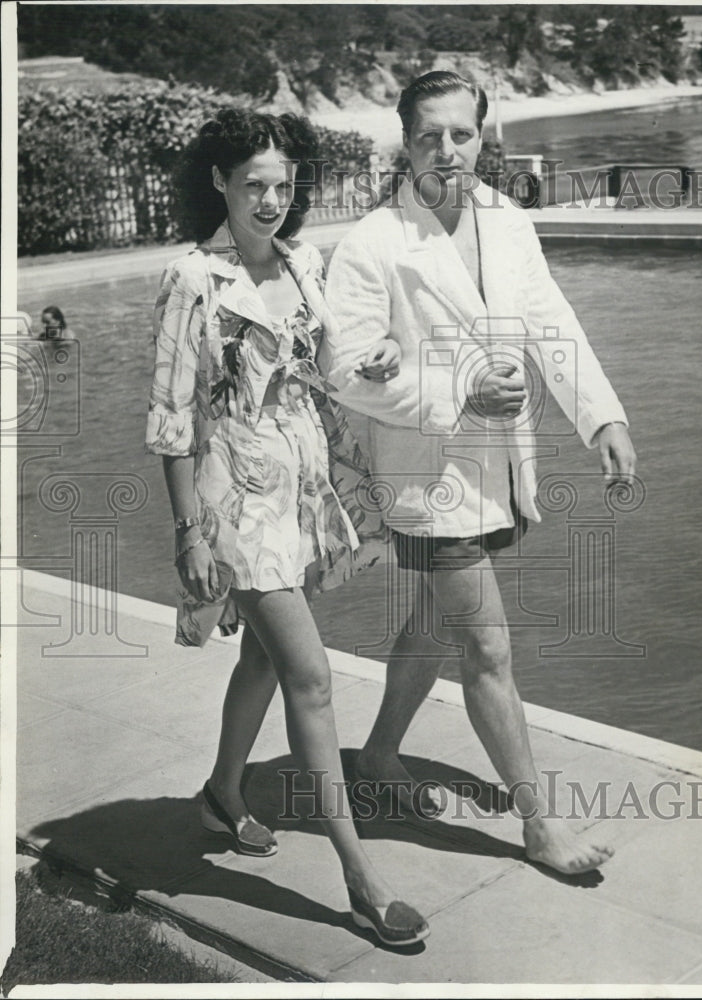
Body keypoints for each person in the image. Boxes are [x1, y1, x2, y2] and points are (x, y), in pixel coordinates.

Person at [321, 71, 637, 875]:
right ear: (405, 138)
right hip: (426, 482)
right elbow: (344, 373)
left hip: (498, 467)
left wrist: (600, 416)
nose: (447, 150)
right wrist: (457, 387)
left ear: (482, 136)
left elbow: (549, 320)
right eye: (430, 135)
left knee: (433, 620)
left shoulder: (506, 220)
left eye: (461, 134)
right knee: (487, 649)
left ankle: (379, 757)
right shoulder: (371, 244)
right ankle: (540, 829)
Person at [145, 108, 427, 947]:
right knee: (310, 677)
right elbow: (171, 417)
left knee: (264, 657)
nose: (270, 200)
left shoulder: (307, 264)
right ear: (218, 183)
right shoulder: (192, 277)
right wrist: (189, 534)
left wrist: (374, 361)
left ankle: (222, 792)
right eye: (253, 184)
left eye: (282, 185)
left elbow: (328, 368)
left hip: (303, 492)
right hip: (236, 499)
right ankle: (360, 876)